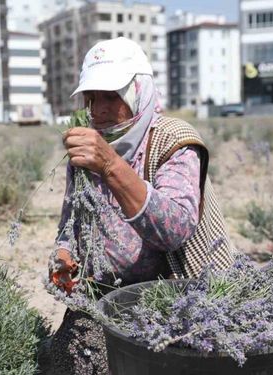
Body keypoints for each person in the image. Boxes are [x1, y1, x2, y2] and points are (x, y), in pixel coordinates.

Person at [42, 37, 236, 374]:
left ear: (137, 91)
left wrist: (111, 166)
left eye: (111, 96)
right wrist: (63, 255)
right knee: (65, 359)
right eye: (92, 97)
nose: (98, 109)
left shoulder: (173, 140)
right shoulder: (87, 149)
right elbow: (69, 226)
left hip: (177, 296)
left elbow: (174, 230)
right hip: (103, 298)